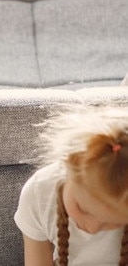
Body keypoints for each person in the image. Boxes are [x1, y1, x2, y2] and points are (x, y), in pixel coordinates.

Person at [14, 103, 128, 265]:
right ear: (69, 167)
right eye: (82, 208)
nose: (92, 227)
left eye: (113, 222)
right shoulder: (39, 193)